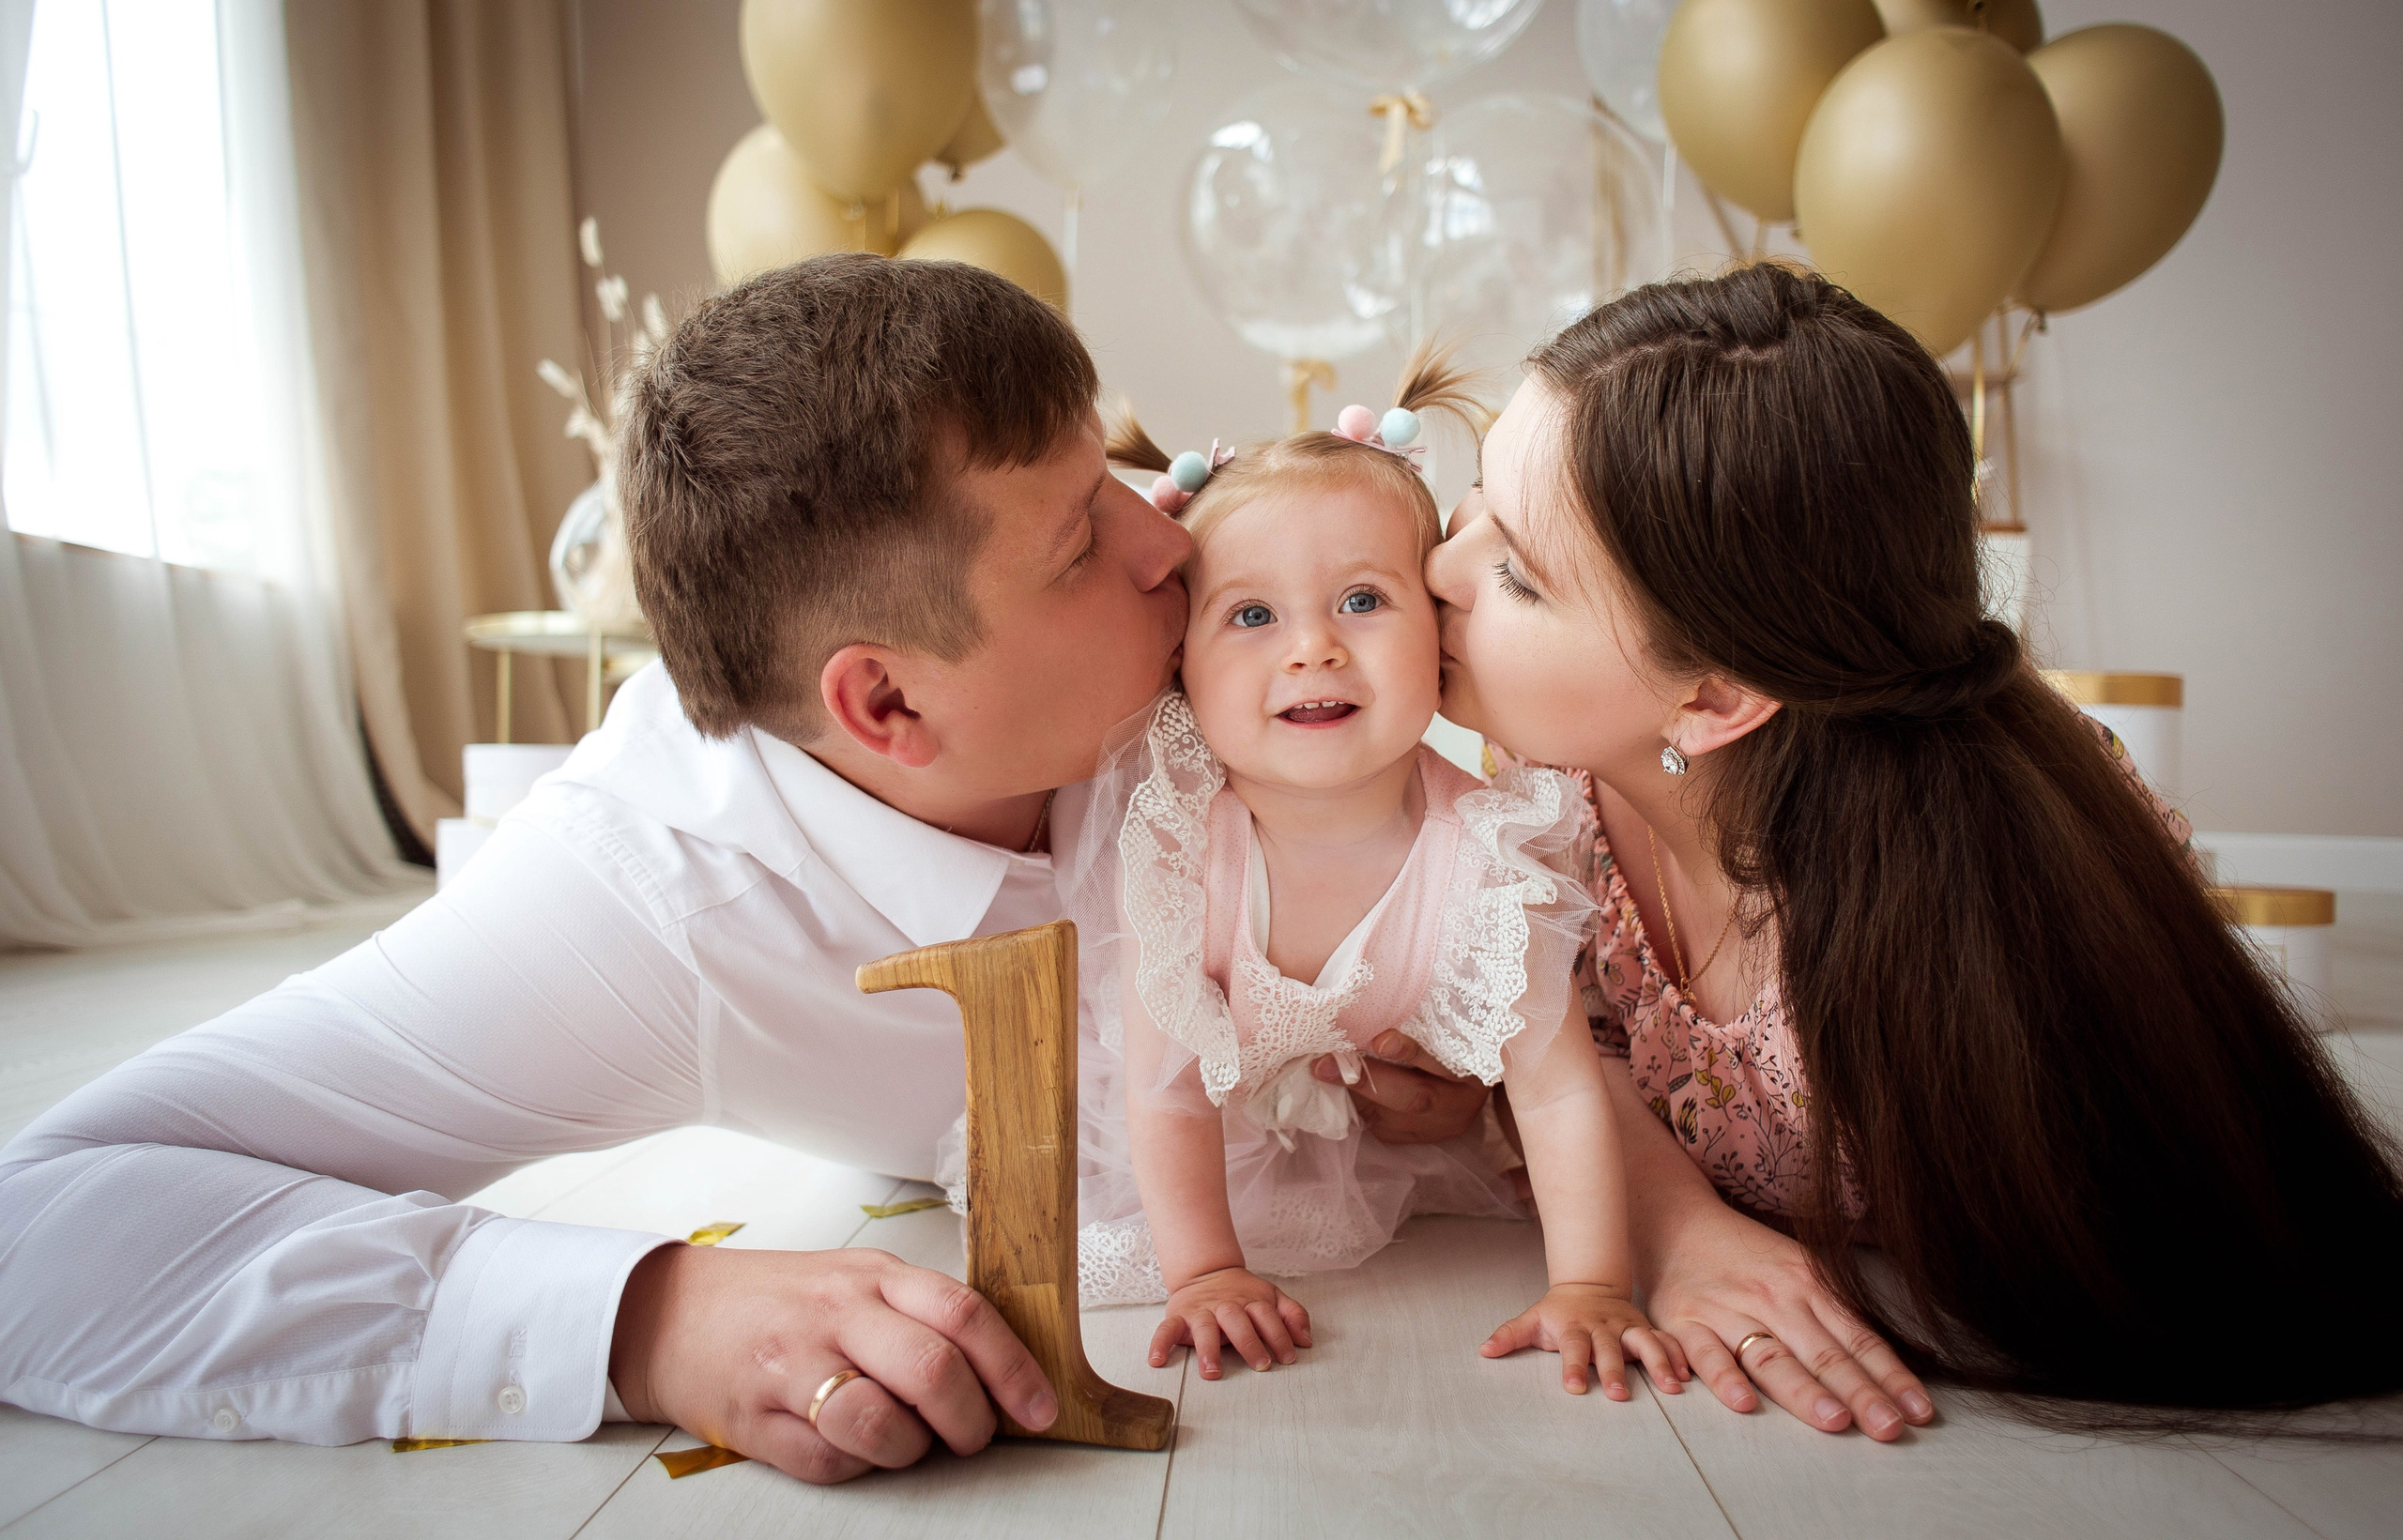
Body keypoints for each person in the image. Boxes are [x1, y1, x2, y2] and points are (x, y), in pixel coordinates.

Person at [0, 256, 1432, 1485]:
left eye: (1108, 470)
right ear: (886, 702)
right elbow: (40, 1221)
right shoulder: (644, 897)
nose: (1166, 535)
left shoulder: (1225, 625)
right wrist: (647, 1320)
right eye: (1077, 543)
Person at [1423, 261, 2403, 1436]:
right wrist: (1676, 1219)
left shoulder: (1991, 927)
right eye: (1474, 498)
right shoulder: (1541, 790)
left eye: (1517, 574)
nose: (1438, 567)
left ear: (1715, 696)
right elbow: (1566, 1042)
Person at [1042, 358, 1682, 1400]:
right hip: (1203, 1157)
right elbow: (1166, 1089)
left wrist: (1592, 1283)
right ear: (1180, 665)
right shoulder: (1180, 850)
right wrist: (1205, 1271)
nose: (1314, 649)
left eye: (1362, 599)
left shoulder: (1487, 853)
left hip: (1388, 1133)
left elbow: (1556, 1084)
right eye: (1253, 616)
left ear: (1439, 629)